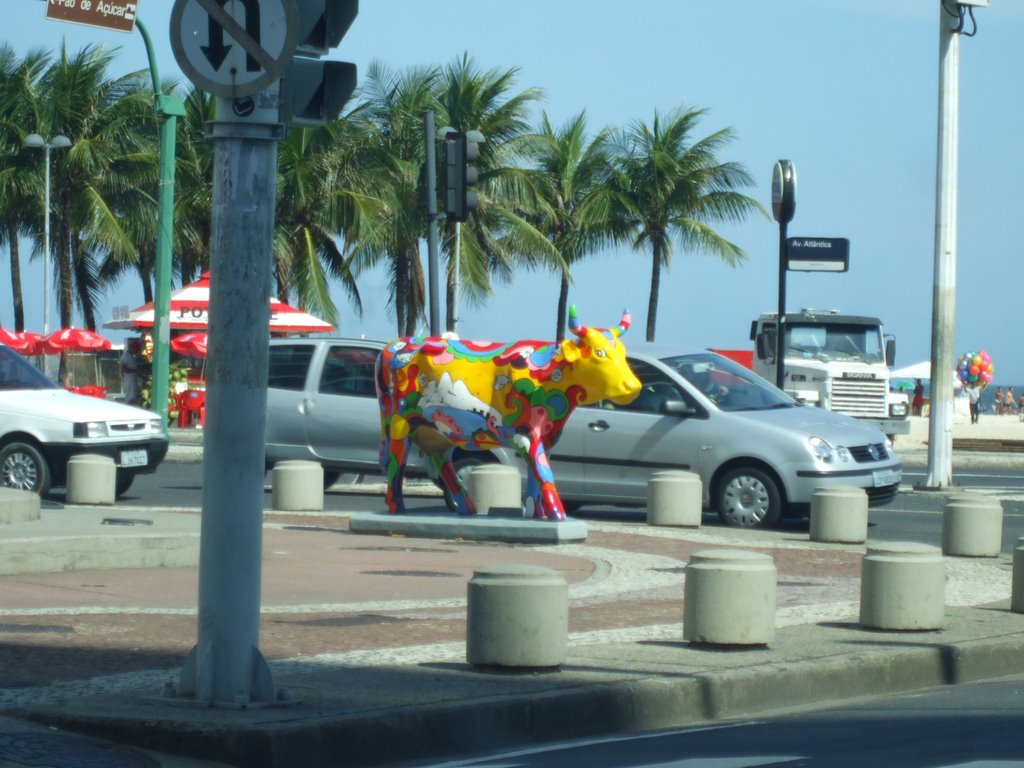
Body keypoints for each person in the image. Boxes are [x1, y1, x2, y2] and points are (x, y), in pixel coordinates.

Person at [120, 339, 143, 405]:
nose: (136, 352)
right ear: (132, 348)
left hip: (132, 379)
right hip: (129, 379)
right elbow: (123, 369)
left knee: (133, 395)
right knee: (130, 397)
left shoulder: (131, 356)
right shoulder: (125, 356)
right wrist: (135, 370)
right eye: (136, 350)